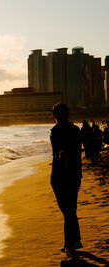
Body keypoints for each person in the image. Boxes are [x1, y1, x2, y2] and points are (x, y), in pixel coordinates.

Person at [50, 103, 83, 259]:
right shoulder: (54, 131)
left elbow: (75, 152)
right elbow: (56, 154)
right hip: (57, 177)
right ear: (54, 116)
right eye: (57, 115)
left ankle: (69, 245)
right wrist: (61, 156)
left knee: (69, 211)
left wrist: (66, 155)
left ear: (67, 115)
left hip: (71, 175)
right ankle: (74, 241)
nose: (60, 118)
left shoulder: (74, 131)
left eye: (62, 114)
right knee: (68, 211)